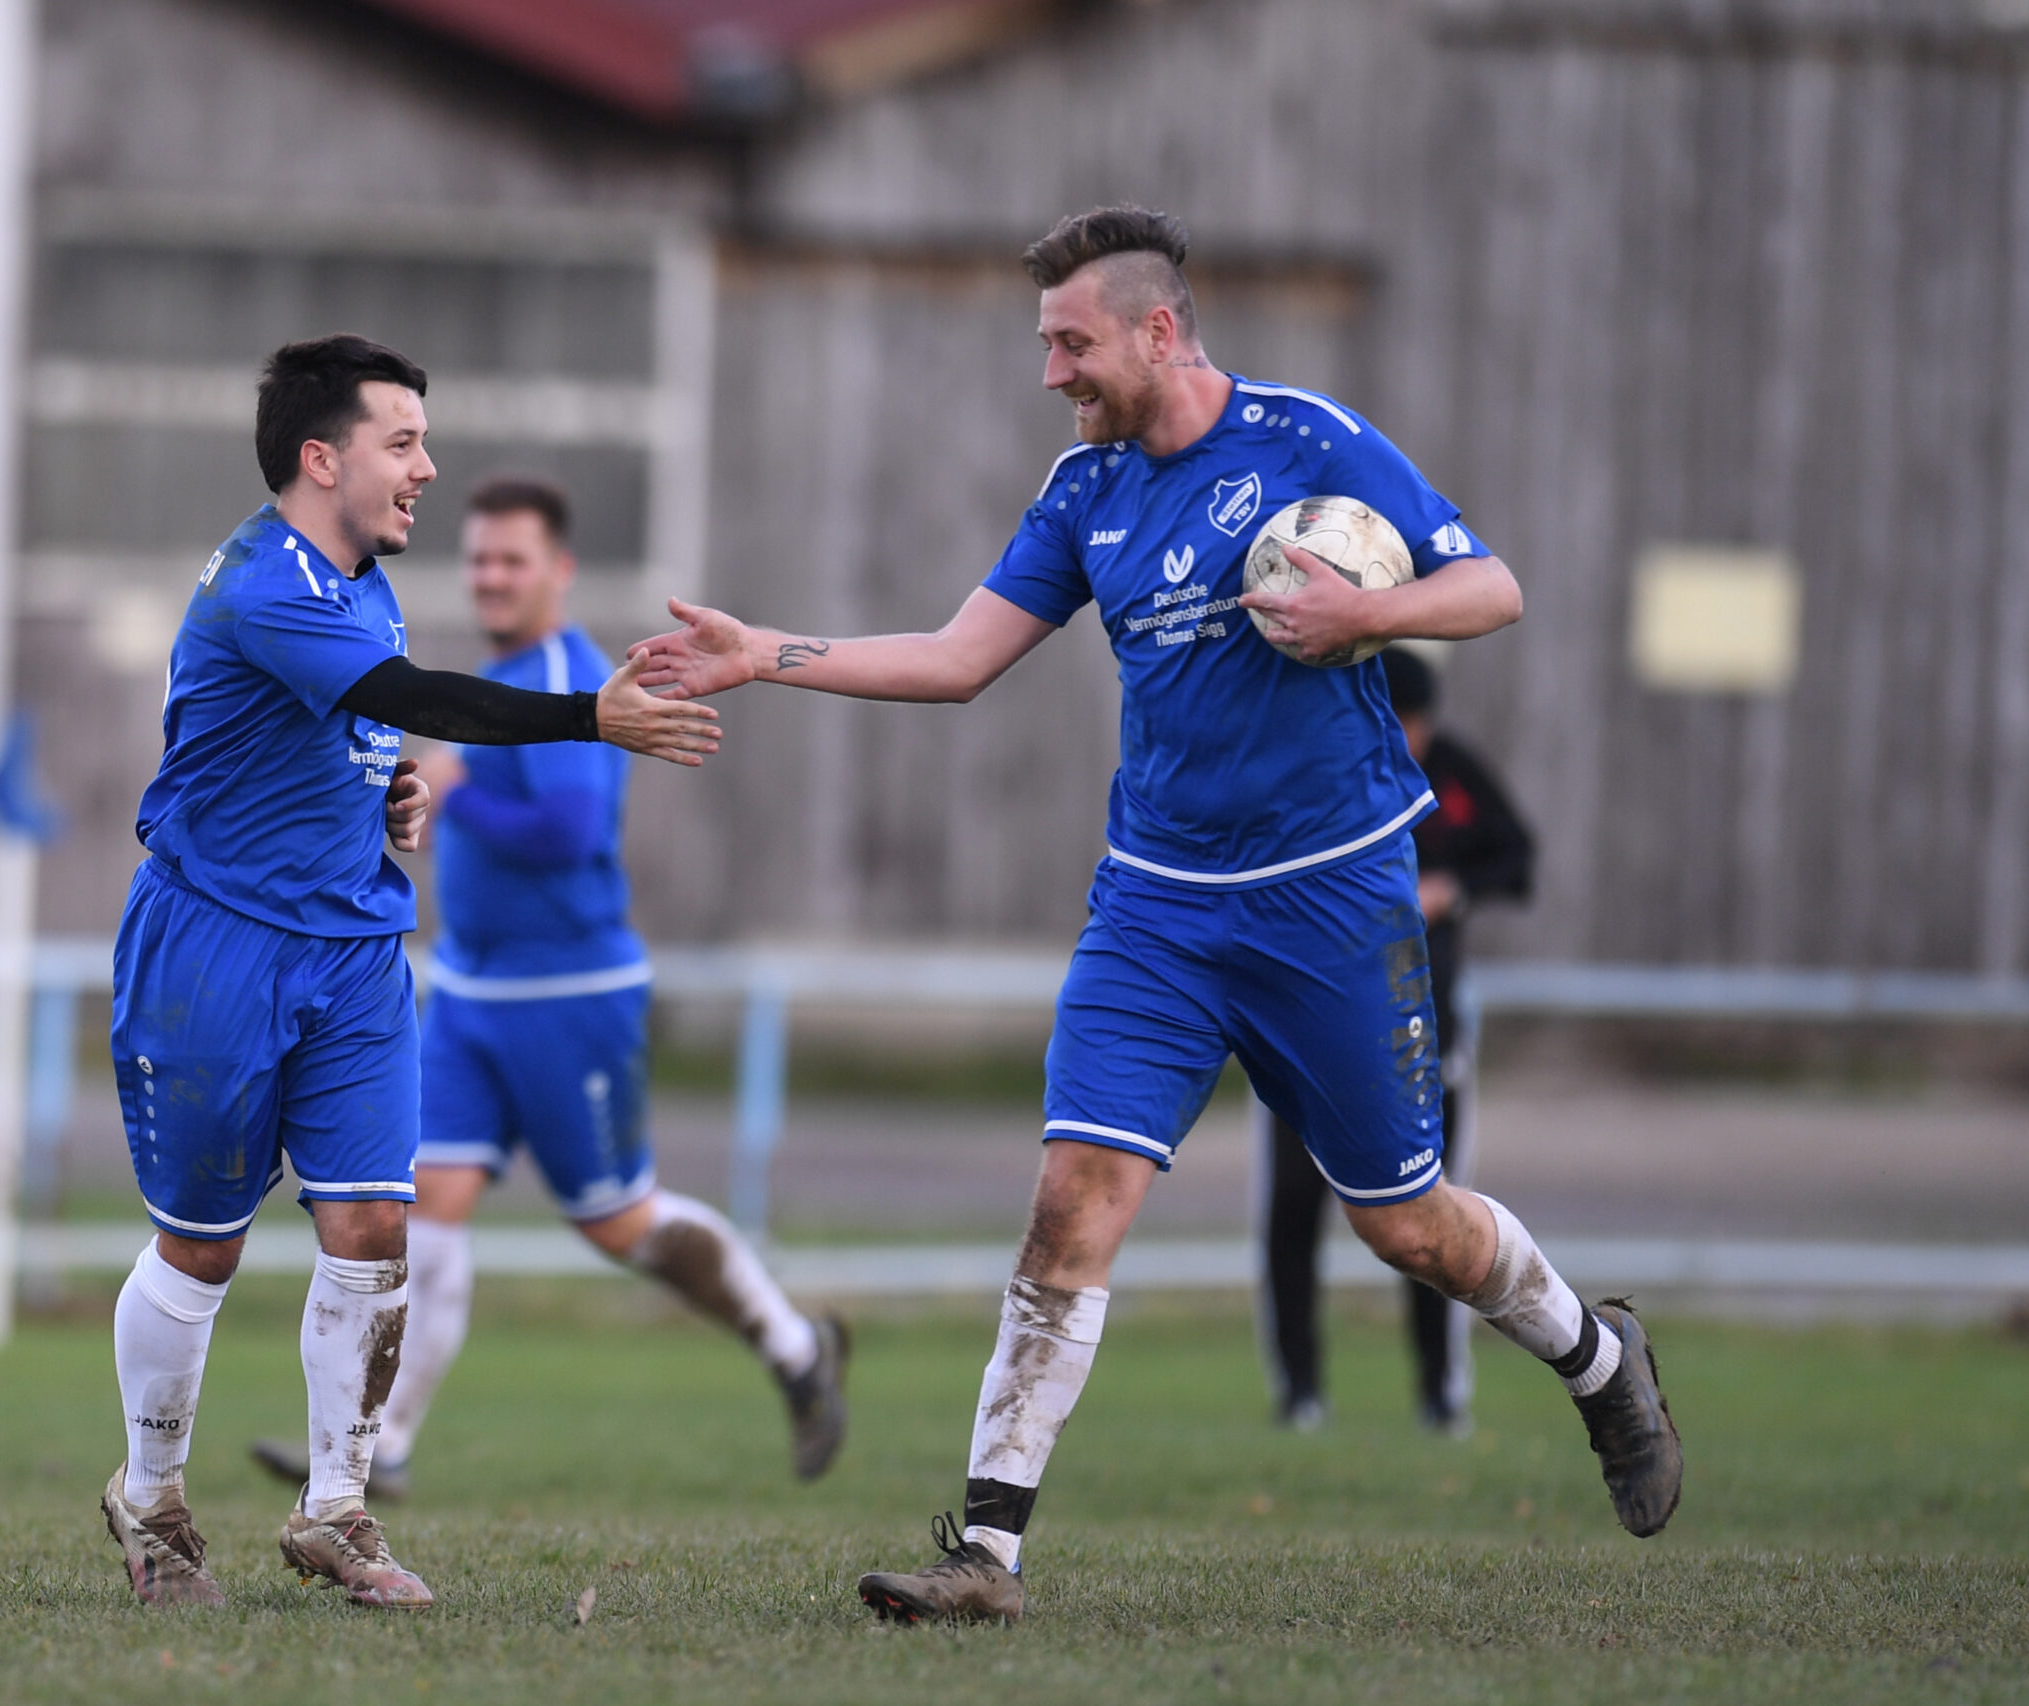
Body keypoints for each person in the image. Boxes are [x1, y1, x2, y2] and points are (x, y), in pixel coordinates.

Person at [638, 206, 1681, 1626]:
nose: (1054, 372)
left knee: (1408, 1229)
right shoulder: (1084, 495)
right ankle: (987, 1554)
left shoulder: (1308, 441)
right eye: (1047, 345)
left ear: (1158, 330)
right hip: (1157, 912)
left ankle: (1596, 1359)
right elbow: (956, 661)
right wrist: (769, 654)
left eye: (1072, 343)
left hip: (1332, 896)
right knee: (1073, 1194)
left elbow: (1493, 586)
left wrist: (1363, 621)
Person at [98, 335, 719, 1611]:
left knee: (375, 1223)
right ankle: (150, 1497)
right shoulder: (263, 583)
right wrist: (589, 714)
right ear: (321, 458)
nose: (426, 468)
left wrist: (378, 796)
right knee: (200, 1249)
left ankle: (337, 1507)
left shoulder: (359, 574)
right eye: (402, 441)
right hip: (216, 945)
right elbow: (414, 692)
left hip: (359, 953)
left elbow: (356, 722)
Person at [249, 474, 848, 1501]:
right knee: (416, 1203)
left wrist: (462, 784)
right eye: (478, 557)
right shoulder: (506, 685)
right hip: (472, 994)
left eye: (511, 559)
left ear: (558, 571)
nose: (490, 576)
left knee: (619, 1221)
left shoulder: (571, 676)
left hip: (572, 998)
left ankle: (795, 1346)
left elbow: (568, 832)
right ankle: (380, 1444)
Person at [1258, 644, 1535, 1437]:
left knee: (1431, 1211)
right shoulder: (1324, 774)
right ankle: (1300, 1389)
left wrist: (1453, 888)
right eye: (1396, 721)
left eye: (1417, 724)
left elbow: (1518, 856)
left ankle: (1441, 1391)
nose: (1406, 737)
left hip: (1425, 1026)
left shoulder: (1449, 774)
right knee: (1291, 1207)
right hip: (1308, 1027)